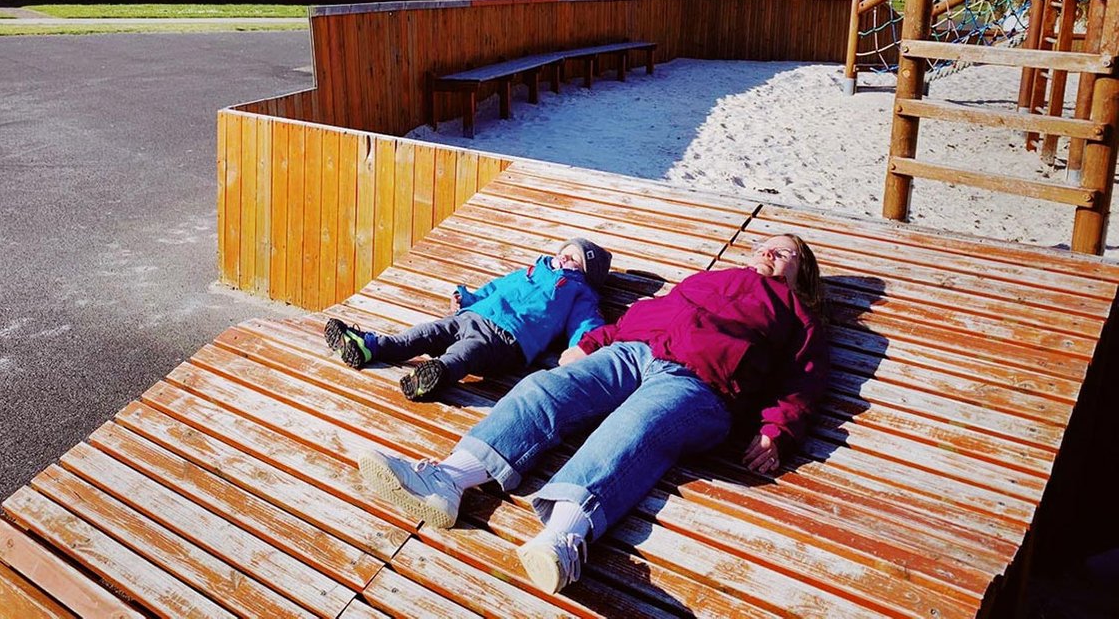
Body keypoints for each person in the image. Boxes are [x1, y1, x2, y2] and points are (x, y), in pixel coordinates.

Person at [356, 234, 828, 594]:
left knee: (636, 425)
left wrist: (777, 430)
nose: (768, 252)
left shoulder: (795, 313)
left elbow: (802, 379)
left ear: (799, 273)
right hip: (636, 352)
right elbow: (646, 316)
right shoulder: (708, 280)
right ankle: (449, 479)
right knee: (545, 387)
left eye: (783, 252)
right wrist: (590, 343)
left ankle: (564, 536)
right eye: (765, 245)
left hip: (701, 383)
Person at [325, 238, 612, 401]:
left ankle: (436, 375)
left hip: (506, 340)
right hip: (471, 316)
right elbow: (494, 289)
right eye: (563, 252)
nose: (563, 259)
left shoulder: (579, 292)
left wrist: (583, 347)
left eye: (573, 259)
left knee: (467, 352)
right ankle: (371, 346)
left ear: (585, 273)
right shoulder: (529, 271)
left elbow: (585, 324)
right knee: (426, 332)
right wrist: (467, 298)